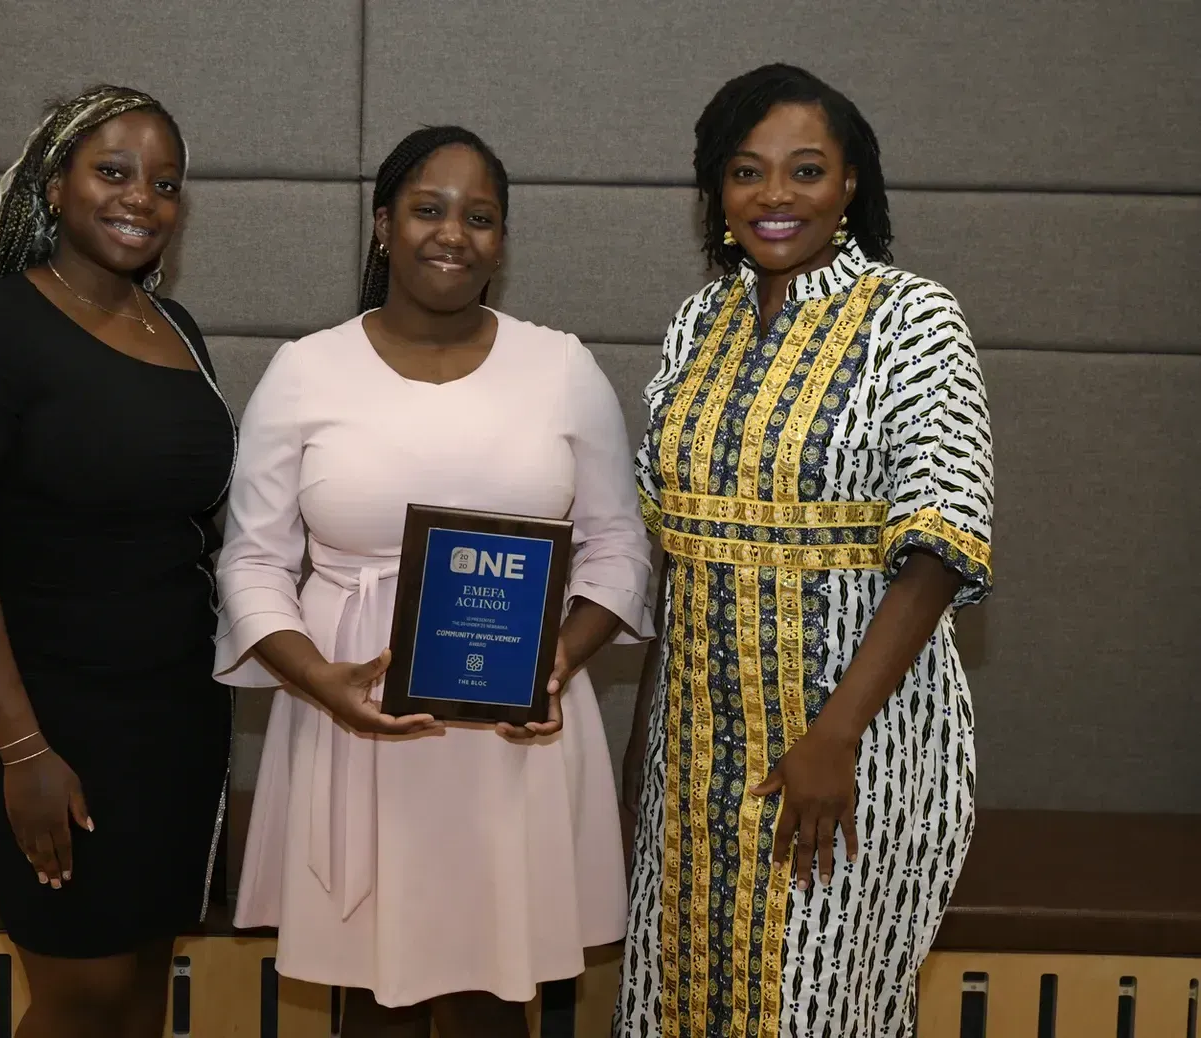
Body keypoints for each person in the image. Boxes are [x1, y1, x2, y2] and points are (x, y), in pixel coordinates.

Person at [213, 125, 652, 1037]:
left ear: (503, 240)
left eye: (481, 217)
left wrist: (559, 662)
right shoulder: (306, 370)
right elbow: (253, 561)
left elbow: (618, 551)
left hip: (513, 735)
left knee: (497, 1006)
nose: (454, 233)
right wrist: (316, 680)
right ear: (382, 225)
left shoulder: (563, 369)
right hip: (356, 721)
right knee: (374, 1007)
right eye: (428, 208)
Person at [614, 64, 995, 1038]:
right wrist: (638, 756)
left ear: (851, 183)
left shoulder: (911, 318)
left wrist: (832, 738)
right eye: (746, 172)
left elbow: (941, 544)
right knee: (680, 1001)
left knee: (815, 1007)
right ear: (715, 189)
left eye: (806, 170)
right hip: (692, 757)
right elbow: (676, 552)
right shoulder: (698, 324)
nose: (775, 196)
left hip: (847, 753)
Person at [0, 85, 235, 1038]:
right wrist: (23, 751)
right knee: (81, 997)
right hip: (40, 712)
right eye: (114, 172)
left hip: (170, 714)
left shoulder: (180, 332)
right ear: (56, 186)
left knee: (136, 987)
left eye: (165, 183)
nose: (141, 197)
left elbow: (199, 525)